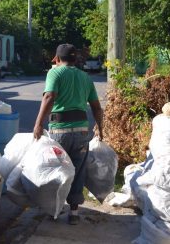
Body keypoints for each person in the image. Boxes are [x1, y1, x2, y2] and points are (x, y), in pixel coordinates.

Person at [33, 43, 103, 225]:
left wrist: (38, 124)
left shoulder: (54, 73)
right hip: (81, 132)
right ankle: (74, 213)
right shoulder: (85, 77)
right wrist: (101, 128)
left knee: (56, 170)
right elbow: (96, 107)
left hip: (60, 131)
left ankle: (54, 209)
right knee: (78, 171)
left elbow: (49, 97)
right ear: (75, 59)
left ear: (56, 59)